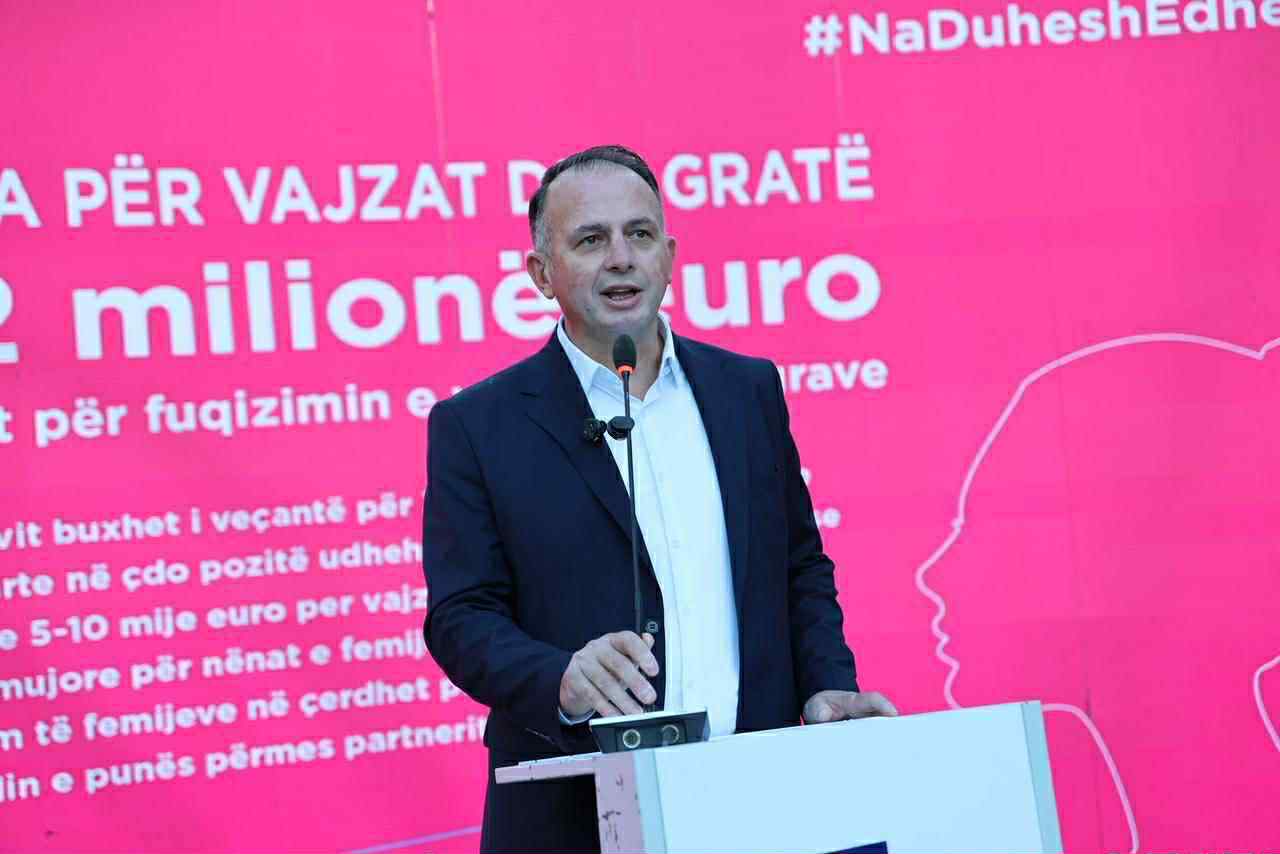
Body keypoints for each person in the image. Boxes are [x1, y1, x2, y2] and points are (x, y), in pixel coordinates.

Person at [422, 145, 896, 853]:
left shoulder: (746, 391)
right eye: (591, 240)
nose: (621, 258)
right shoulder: (479, 426)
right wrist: (560, 679)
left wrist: (826, 684)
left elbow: (799, 565)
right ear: (541, 273)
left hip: (761, 800)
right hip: (577, 818)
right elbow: (461, 617)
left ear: (669, 257)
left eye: (639, 234)